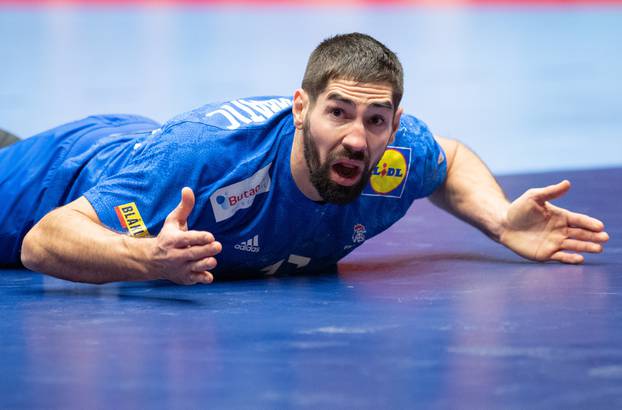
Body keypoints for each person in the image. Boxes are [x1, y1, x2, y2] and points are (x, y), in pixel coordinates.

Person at [0, 33, 609, 285]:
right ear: (300, 107)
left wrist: (500, 219)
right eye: (337, 113)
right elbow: (42, 240)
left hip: (138, 147)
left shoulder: (394, 156)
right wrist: (140, 257)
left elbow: (447, 159)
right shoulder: (207, 160)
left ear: (393, 123)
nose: (356, 138)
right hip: (52, 175)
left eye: (374, 121)